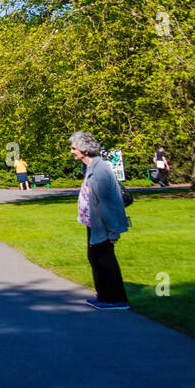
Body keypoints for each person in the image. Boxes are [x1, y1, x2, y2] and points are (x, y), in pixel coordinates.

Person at [70, 130, 130, 310]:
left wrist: (113, 232)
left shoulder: (100, 170)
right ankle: (104, 295)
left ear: (84, 150)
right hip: (93, 223)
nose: (72, 151)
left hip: (103, 225)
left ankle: (117, 300)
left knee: (105, 260)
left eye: (74, 148)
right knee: (95, 258)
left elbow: (109, 203)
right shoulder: (88, 167)